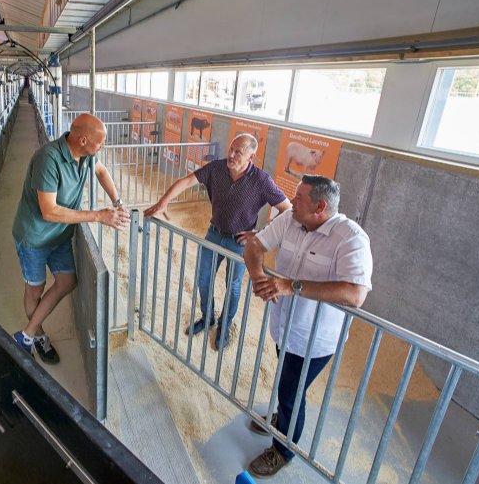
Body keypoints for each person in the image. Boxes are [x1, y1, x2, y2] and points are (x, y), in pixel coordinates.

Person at [242, 175, 373, 478]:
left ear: (320, 206)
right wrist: (258, 276)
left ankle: (283, 449)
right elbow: (254, 246)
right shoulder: (290, 219)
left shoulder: (351, 238)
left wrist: (293, 286)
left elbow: (355, 294)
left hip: (316, 340)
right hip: (285, 327)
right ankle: (282, 418)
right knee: (287, 384)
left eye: (299, 196)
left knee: (291, 391)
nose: (292, 200)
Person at [144, 134, 291, 350]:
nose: (231, 155)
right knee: (203, 280)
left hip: (240, 242)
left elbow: (287, 209)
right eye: (231, 149)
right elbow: (186, 181)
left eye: (238, 152)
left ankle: (225, 324)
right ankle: (208, 317)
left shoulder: (261, 180)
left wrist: (261, 233)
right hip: (214, 233)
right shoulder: (216, 168)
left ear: (251, 156)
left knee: (233, 286)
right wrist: (163, 203)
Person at [12, 113, 129, 363]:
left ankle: (26, 335)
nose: (103, 146)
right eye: (101, 142)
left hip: (59, 236)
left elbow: (102, 172)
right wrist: (98, 216)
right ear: (84, 140)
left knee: (67, 282)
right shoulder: (48, 159)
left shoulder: (86, 156)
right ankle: (38, 336)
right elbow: (49, 210)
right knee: (35, 290)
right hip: (34, 237)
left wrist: (117, 202)